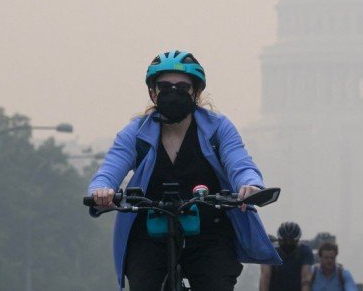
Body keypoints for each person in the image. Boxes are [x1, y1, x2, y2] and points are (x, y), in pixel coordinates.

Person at [88, 50, 281, 290]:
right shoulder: (135, 132)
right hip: (149, 234)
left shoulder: (218, 128)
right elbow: (109, 170)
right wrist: (101, 191)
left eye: (182, 86)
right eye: (164, 86)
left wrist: (249, 185)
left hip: (210, 235)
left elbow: (240, 163)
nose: (173, 92)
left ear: (196, 92)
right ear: (152, 91)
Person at [259, 222, 314, 291]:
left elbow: (305, 279)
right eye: (284, 241)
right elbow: (265, 277)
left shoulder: (305, 251)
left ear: (297, 240)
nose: (288, 244)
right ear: (279, 240)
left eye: (291, 241)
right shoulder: (271, 251)